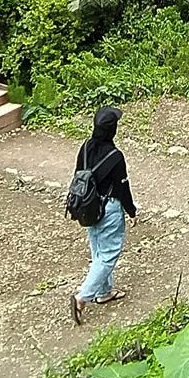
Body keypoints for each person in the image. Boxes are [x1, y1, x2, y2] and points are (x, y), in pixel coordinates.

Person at [69, 106, 137, 324]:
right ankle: (82, 297)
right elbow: (122, 188)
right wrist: (132, 211)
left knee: (98, 251)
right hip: (109, 209)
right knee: (108, 256)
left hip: (89, 208)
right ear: (112, 130)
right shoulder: (115, 157)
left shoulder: (86, 147)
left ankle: (103, 292)